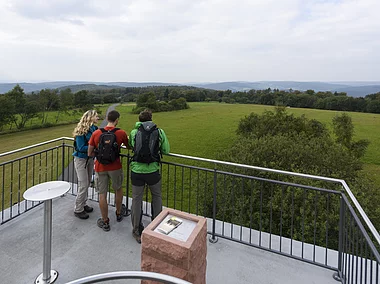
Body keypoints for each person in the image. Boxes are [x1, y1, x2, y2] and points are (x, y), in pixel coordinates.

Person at [129, 109, 170, 243]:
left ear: (139, 120)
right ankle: (156, 228)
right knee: (157, 197)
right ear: (151, 119)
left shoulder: (134, 132)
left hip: (137, 171)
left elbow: (131, 146)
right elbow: (166, 150)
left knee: (136, 200)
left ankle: (136, 230)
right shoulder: (159, 131)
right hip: (153, 171)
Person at [88, 110, 129, 232]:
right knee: (118, 189)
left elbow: (89, 152)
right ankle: (118, 212)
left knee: (102, 194)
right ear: (117, 120)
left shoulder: (96, 133)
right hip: (115, 166)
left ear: (106, 118)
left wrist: (100, 154)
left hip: (100, 167)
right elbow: (128, 146)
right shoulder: (121, 133)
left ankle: (105, 221)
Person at [72, 110, 99, 219]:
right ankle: (78, 209)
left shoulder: (94, 129)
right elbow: (80, 147)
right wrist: (94, 147)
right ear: (90, 117)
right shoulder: (81, 131)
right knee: (83, 184)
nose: (98, 117)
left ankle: (83, 204)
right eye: (96, 116)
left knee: (87, 183)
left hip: (90, 159)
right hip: (81, 159)